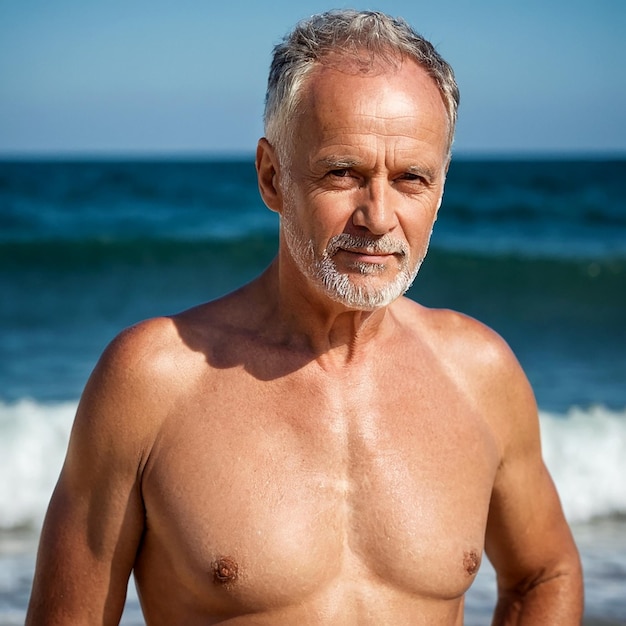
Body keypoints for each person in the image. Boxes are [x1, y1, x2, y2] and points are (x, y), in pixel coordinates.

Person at [26, 9, 583, 625]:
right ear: (272, 177)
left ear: (441, 188)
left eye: (411, 178)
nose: (378, 215)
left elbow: (544, 572)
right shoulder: (153, 381)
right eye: (342, 172)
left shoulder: (482, 373)